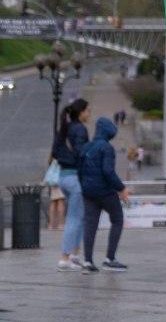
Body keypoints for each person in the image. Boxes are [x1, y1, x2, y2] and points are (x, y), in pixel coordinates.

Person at [78, 116, 130, 273]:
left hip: (88, 192)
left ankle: (87, 261)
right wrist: (121, 188)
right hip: (105, 192)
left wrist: (84, 186)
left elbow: (79, 170)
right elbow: (108, 171)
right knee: (117, 219)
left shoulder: (86, 147)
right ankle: (109, 258)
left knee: (90, 225)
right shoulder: (106, 148)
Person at [51, 98, 90, 272]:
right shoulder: (80, 129)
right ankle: (65, 257)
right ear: (81, 113)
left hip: (63, 177)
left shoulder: (64, 128)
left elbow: (54, 151)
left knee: (79, 216)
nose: (89, 114)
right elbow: (83, 153)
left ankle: (74, 254)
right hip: (75, 178)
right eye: (88, 111)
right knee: (74, 218)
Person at [46, 155, 65, 230]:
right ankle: (60, 224)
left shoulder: (52, 158)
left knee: (53, 202)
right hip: (59, 181)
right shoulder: (61, 157)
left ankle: (51, 224)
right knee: (60, 201)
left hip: (52, 182)